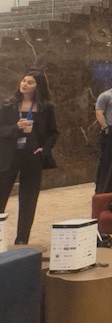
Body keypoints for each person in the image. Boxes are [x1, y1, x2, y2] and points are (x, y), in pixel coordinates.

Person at [0, 70, 59, 245]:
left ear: (38, 87)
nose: (24, 84)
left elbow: (53, 133)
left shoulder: (46, 108)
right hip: (8, 156)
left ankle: (22, 240)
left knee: (28, 200)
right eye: (24, 80)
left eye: (30, 82)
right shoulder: (7, 105)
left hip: (32, 156)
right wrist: (15, 128)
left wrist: (45, 149)